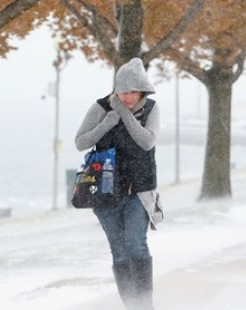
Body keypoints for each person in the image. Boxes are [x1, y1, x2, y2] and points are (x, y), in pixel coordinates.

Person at [75, 57, 162, 310]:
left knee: (136, 245)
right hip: (105, 192)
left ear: (142, 90)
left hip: (139, 191)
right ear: (116, 89)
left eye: (132, 92)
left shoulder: (152, 109)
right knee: (119, 251)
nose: (127, 98)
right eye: (123, 92)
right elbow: (80, 142)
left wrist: (123, 114)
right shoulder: (100, 107)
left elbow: (146, 141)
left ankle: (145, 305)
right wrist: (106, 122)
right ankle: (131, 305)